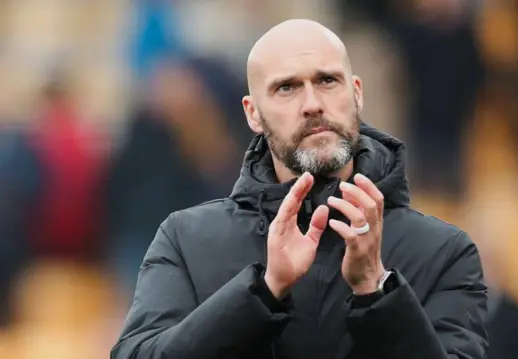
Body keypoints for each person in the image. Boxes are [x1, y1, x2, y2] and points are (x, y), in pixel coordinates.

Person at [111, 19, 488, 359]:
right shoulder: (186, 240)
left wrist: (377, 291)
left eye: (327, 80)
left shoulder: (445, 253)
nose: (312, 104)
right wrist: (263, 289)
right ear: (252, 113)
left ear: (356, 93)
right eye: (286, 87)